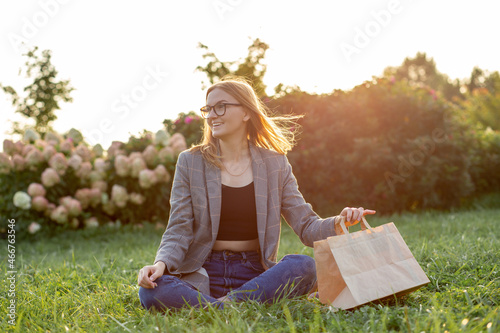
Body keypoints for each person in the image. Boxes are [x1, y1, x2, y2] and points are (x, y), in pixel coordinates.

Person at [137, 77, 375, 311]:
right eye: (208, 109)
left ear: (246, 113)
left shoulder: (275, 163)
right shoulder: (190, 162)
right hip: (203, 271)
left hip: (255, 273)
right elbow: (179, 227)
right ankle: (232, 307)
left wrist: (339, 222)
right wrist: (160, 264)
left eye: (221, 107)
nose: (211, 115)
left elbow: (305, 225)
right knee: (151, 289)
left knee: (304, 265)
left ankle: (218, 307)